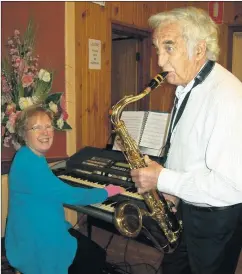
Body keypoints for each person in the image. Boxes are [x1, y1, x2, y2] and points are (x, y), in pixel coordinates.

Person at [130, 6, 242, 274]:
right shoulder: (186, 86)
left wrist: (162, 179)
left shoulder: (227, 96)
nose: (159, 61)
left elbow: (232, 186)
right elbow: (190, 149)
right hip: (188, 207)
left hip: (214, 221)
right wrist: (173, 192)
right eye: (158, 49)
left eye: (169, 48)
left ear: (199, 50)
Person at [5, 105, 124, 274]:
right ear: (24, 133)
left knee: (82, 244)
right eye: (37, 127)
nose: (45, 132)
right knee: (95, 256)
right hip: (34, 242)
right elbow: (69, 195)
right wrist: (106, 192)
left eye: (48, 126)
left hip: (28, 230)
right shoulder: (30, 163)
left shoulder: (27, 155)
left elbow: (46, 191)